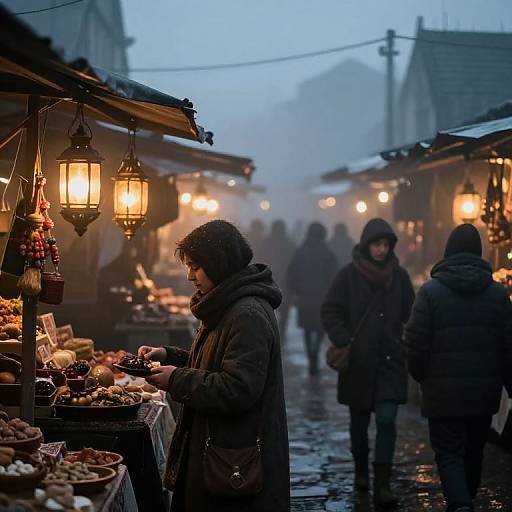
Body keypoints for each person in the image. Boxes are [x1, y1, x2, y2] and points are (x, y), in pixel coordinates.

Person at [138, 220, 290, 512]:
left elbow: (238, 388)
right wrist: (169, 357)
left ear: (219, 264)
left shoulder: (247, 314)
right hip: (220, 450)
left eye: (195, 266)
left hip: (234, 462)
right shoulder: (226, 304)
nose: (189, 276)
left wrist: (177, 379)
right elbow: (216, 364)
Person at [403, 224, 512, 512]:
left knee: (448, 453)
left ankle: (460, 504)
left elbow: (414, 343)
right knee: (474, 450)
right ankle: (467, 498)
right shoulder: (498, 295)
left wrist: (422, 375)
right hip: (483, 392)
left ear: (447, 251)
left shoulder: (430, 293)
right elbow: (509, 346)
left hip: (442, 393)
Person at [321, 218, 415, 506]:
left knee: (387, 421)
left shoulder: (399, 277)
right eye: (377, 244)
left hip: (389, 362)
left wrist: (405, 339)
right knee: (358, 424)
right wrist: (344, 337)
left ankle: (382, 484)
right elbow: (330, 309)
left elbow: (411, 312)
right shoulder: (348, 275)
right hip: (359, 364)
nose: (381, 250)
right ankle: (361, 472)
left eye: (386, 245)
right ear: (367, 245)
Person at [287, 222, 337, 375]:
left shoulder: (300, 252)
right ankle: (315, 354)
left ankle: (311, 357)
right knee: (320, 328)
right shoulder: (328, 253)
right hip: (323, 298)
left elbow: (291, 274)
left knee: (308, 330)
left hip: (305, 297)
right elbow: (334, 276)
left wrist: (296, 290)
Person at [260, 220, 296, 341]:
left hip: (267, 280)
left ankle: (269, 331)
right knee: (284, 310)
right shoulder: (290, 244)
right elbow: (294, 264)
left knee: (267, 308)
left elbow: (259, 259)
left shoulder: (265, 243)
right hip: (286, 281)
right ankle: (282, 331)